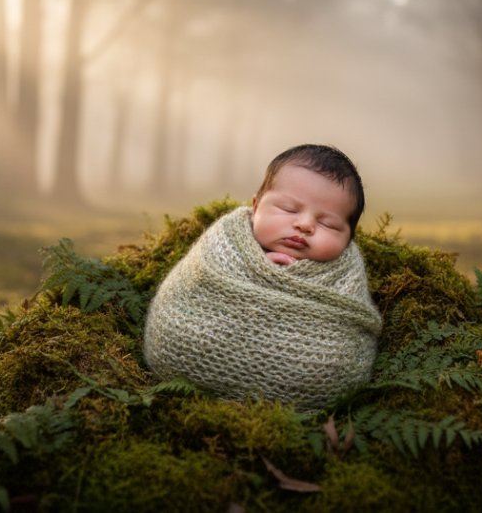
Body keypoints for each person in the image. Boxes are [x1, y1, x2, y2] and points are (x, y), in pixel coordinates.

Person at [142, 144, 382, 410]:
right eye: (289, 209)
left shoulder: (344, 274)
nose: (304, 225)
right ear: (255, 207)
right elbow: (190, 288)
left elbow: (347, 341)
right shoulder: (226, 244)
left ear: (348, 239)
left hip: (309, 372)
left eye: (328, 224)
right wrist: (259, 269)